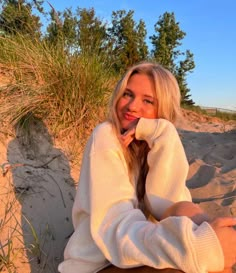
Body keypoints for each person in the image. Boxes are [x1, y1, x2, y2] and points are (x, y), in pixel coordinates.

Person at [58, 62, 236, 273]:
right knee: (196, 262)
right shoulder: (106, 136)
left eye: (148, 101)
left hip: (131, 254)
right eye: (127, 94)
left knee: (189, 221)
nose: (132, 106)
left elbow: (167, 204)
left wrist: (163, 132)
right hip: (100, 262)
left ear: (164, 109)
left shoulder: (150, 143)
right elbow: (116, 227)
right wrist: (198, 247)